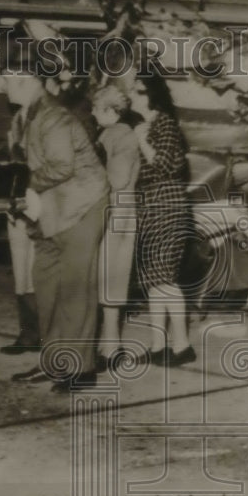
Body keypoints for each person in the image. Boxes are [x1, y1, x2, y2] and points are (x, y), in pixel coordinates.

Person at [7, 65, 109, 391]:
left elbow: (62, 167)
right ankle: (54, 363)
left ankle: (81, 370)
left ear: (26, 81)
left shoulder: (53, 116)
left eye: (7, 80)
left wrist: (16, 185)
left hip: (81, 206)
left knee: (75, 288)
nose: (3, 87)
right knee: (46, 285)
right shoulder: (25, 116)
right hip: (50, 210)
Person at [128, 74, 196, 366]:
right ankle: (158, 347)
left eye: (135, 89)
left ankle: (181, 346)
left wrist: (142, 139)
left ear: (148, 94)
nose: (130, 94)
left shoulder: (164, 123)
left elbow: (166, 165)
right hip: (151, 208)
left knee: (165, 281)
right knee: (155, 281)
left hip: (167, 208)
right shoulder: (149, 124)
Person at [91, 85, 141, 371]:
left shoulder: (117, 134)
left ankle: (110, 347)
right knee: (114, 279)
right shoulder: (123, 133)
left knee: (108, 278)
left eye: (97, 108)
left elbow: (118, 178)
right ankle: (109, 344)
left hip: (114, 210)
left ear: (111, 111)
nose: (92, 113)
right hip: (124, 210)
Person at [0, 88, 42, 357]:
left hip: (40, 200)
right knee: (21, 269)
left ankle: (44, 332)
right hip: (17, 202)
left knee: (38, 270)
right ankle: (28, 333)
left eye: (8, 77)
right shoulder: (18, 116)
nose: (5, 84)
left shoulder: (45, 114)